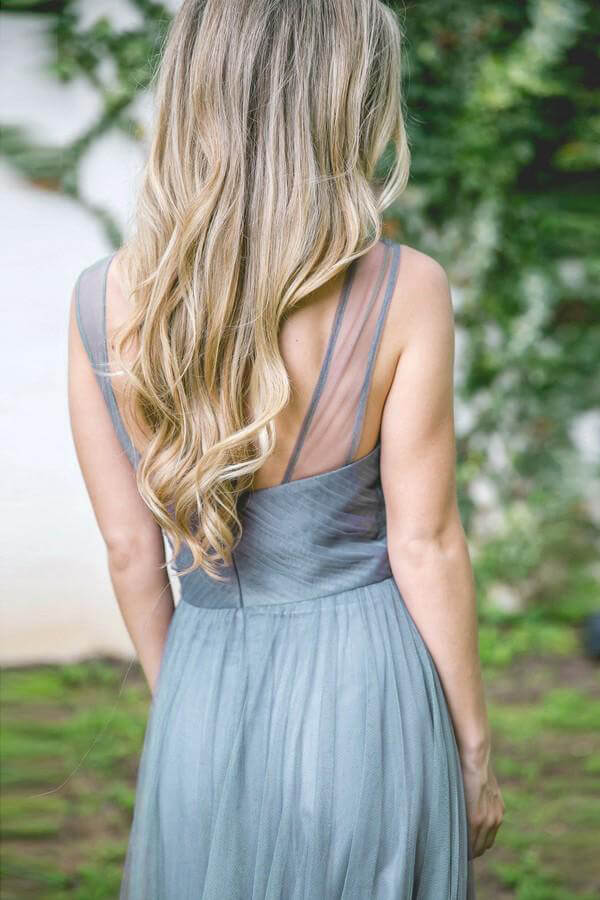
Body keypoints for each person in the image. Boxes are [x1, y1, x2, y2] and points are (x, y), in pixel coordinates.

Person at [67, 1, 503, 897]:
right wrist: (472, 749)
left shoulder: (101, 300)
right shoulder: (407, 289)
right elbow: (425, 543)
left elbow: (129, 551)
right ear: (346, 102)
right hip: (368, 701)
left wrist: (187, 704)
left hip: (200, 683)